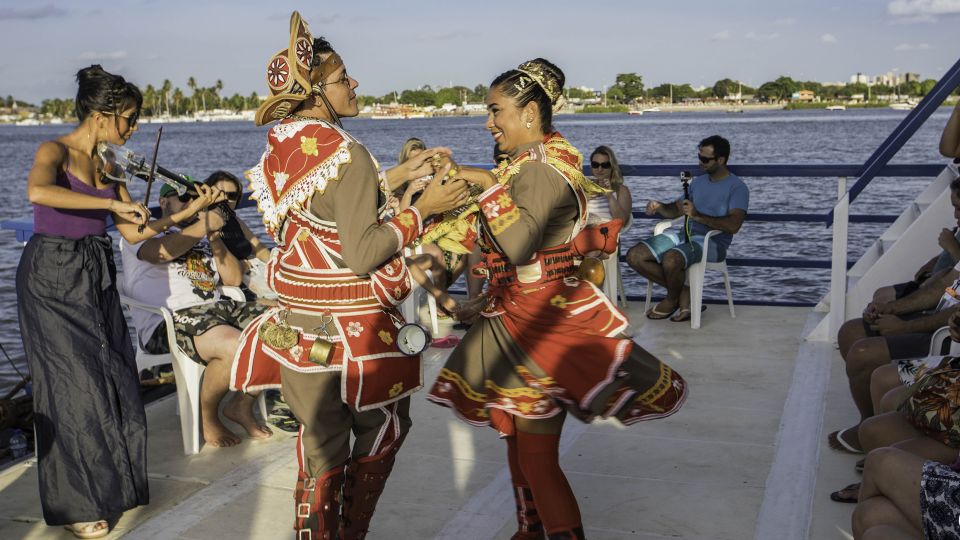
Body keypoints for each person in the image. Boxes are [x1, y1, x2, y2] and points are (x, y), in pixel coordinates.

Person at [229, 12, 469, 538]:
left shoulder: (283, 146)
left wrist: (399, 175)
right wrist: (422, 210)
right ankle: (352, 530)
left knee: (319, 446)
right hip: (353, 334)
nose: (353, 84)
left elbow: (327, 204)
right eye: (341, 79)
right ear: (316, 93)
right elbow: (362, 253)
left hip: (297, 326)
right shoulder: (349, 153)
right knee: (384, 428)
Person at [426, 58, 687, 539]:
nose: (488, 122)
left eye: (495, 110)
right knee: (518, 442)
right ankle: (529, 531)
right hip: (516, 315)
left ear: (529, 113)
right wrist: (480, 300)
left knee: (536, 456)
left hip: (542, 326)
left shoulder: (539, 171)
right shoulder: (532, 164)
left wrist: (484, 183)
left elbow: (520, 246)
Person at [17, 65, 189, 538]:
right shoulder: (53, 150)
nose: (133, 128)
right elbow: (38, 191)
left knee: (114, 376)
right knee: (71, 386)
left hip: (94, 272)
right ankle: (75, 504)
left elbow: (134, 232)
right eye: (129, 119)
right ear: (100, 115)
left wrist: (188, 214)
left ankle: (111, 488)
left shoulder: (112, 165)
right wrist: (111, 204)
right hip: (51, 274)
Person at [121, 178, 273, 448]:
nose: (193, 203)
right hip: (169, 320)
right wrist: (203, 224)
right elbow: (160, 253)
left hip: (217, 309)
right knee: (235, 345)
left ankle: (241, 404)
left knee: (286, 324)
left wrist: (213, 235)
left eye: (197, 199)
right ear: (164, 201)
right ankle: (207, 416)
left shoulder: (203, 232)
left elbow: (233, 279)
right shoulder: (143, 231)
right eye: (185, 198)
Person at [829, 182, 960, 455]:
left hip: (944, 337)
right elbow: (944, 286)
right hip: (934, 318)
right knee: (850, 332)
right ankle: (868, 426)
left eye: (959, 208)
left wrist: (904, 327)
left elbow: (953, 312)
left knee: (866, 357)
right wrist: (893, 308)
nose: (956, 215)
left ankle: (877, 441)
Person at [625, 135, 749, 322]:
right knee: (635, 256)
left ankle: (671, 300)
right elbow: (676, 210)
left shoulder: (737, 188)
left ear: (721, 160)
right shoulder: (698, 182)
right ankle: (684, 293)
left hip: (712, 242)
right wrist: (659, 206)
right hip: (685, 235)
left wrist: (697, 215)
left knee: (671, 258)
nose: (700, 163)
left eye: (705, 159)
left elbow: (734, 225)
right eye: (699, 157)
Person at [202, 170, 274, 299]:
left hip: (252, 277)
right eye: (219, 193)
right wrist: (245, 265)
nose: (225, 199)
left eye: (232, 195)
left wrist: (277, 267)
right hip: (234, 289)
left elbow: (259, 249)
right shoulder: (203, 225)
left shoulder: (235, 221)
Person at [587, 145, 633, 225]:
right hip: (583, 230)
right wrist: (583, 199)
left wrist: (610, 196)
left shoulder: (621, 190)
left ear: (612, 167)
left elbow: (622, 222)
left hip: (607, 231)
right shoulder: (584, 187)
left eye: (605, 165)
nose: (600, 169)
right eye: (595, 165)